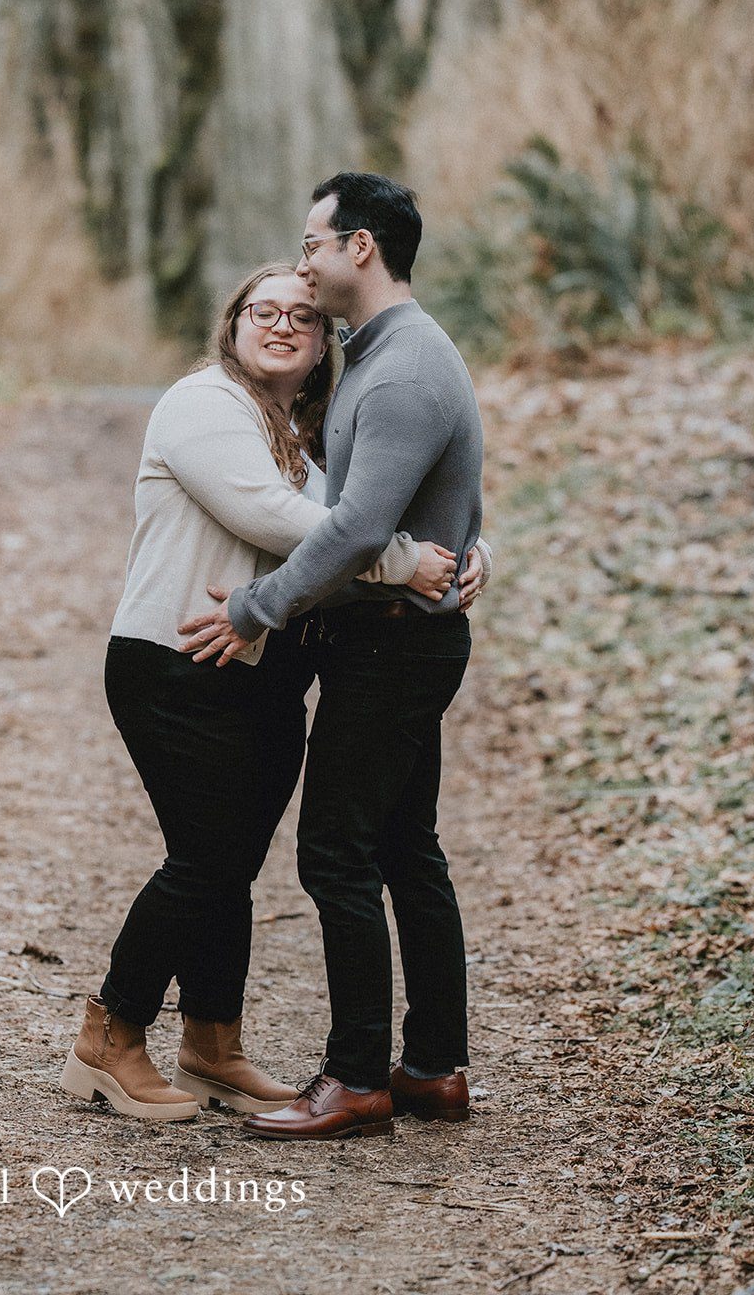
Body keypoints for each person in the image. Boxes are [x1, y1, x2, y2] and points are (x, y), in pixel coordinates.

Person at [60, 260, 490, 1122]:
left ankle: (212, 1046)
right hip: (176, 661)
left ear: (325, 341)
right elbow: (278, 517)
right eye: (263, 311)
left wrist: (471, 549)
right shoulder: (204, 404)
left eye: (303, 315)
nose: (282, 325)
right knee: (205, 860)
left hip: (261, 672)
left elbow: (389, 502)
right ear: (233, 324)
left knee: (233, 863)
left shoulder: (312, 428)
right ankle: (110, 1035)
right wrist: (404, 562)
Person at [180, 173, 485, 1140]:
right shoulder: (388, 351)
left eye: (313, 243)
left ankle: (355, 1079)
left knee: (336, 855)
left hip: (392, 647)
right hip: (402, 636)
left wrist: (257, 608)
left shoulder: (399, 370)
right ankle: (432, 1068)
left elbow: (355, 527)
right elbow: (435, 495)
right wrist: (467, 545)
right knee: (404, 849)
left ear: (360, 247)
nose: (304, 262)